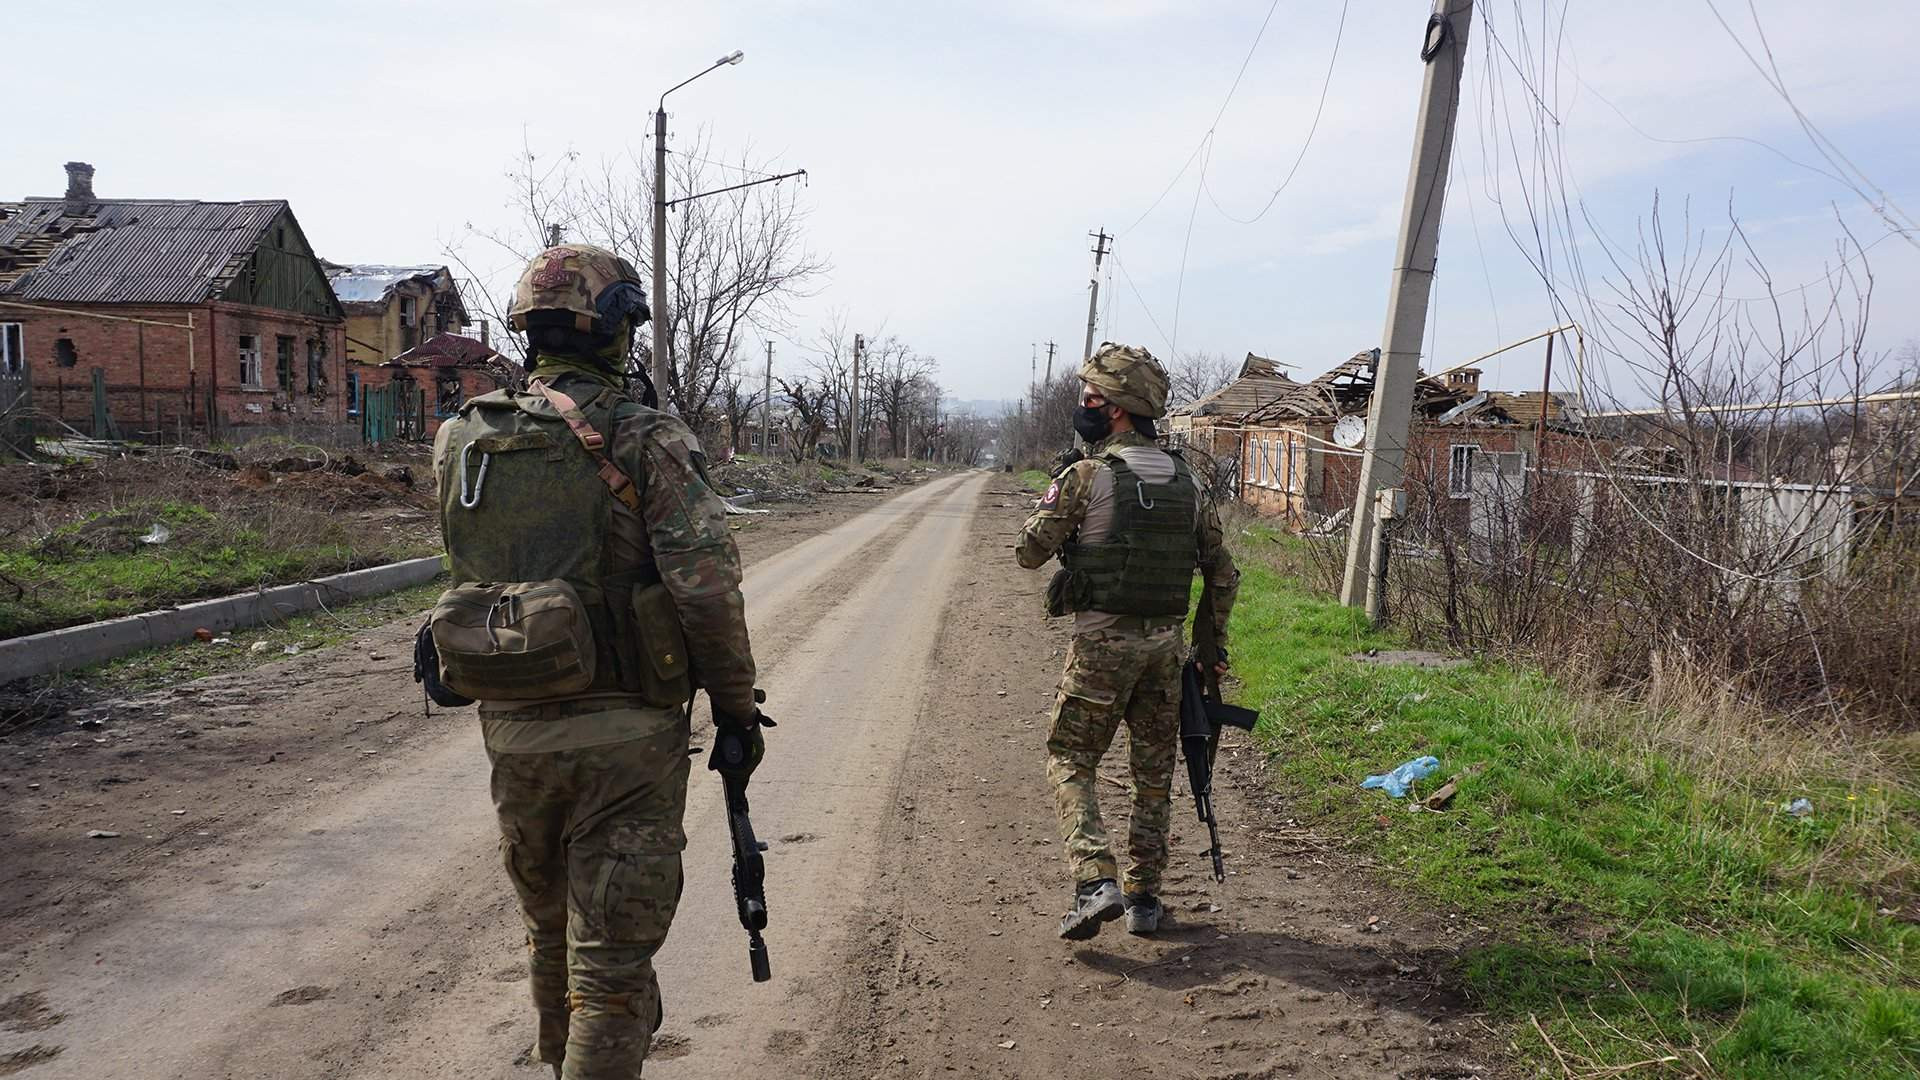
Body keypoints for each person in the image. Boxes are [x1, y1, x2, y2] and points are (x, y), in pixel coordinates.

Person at [431, 243, 766, 1077]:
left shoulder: (462, 437)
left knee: (551, 940)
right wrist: (734, 709)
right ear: (619, 330)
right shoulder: (644, 435)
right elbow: (705, 590)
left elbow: (468, 572)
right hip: (627, 739)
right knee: (611, 973)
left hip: (514, 735)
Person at [1014, 342, 1238, 940]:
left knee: (1070, 759)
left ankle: (1095, 880)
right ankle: (1143, 899)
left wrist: (1060, 501)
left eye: (1090, 398)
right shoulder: (1189, 482)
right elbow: (1222, 573)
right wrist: (1210, 650)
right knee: (1153, 775)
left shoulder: (1088, 476)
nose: (1083, 406)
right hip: (1165, 653)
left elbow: (1028, 552)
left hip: (1101, 648)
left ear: (1115, 409)